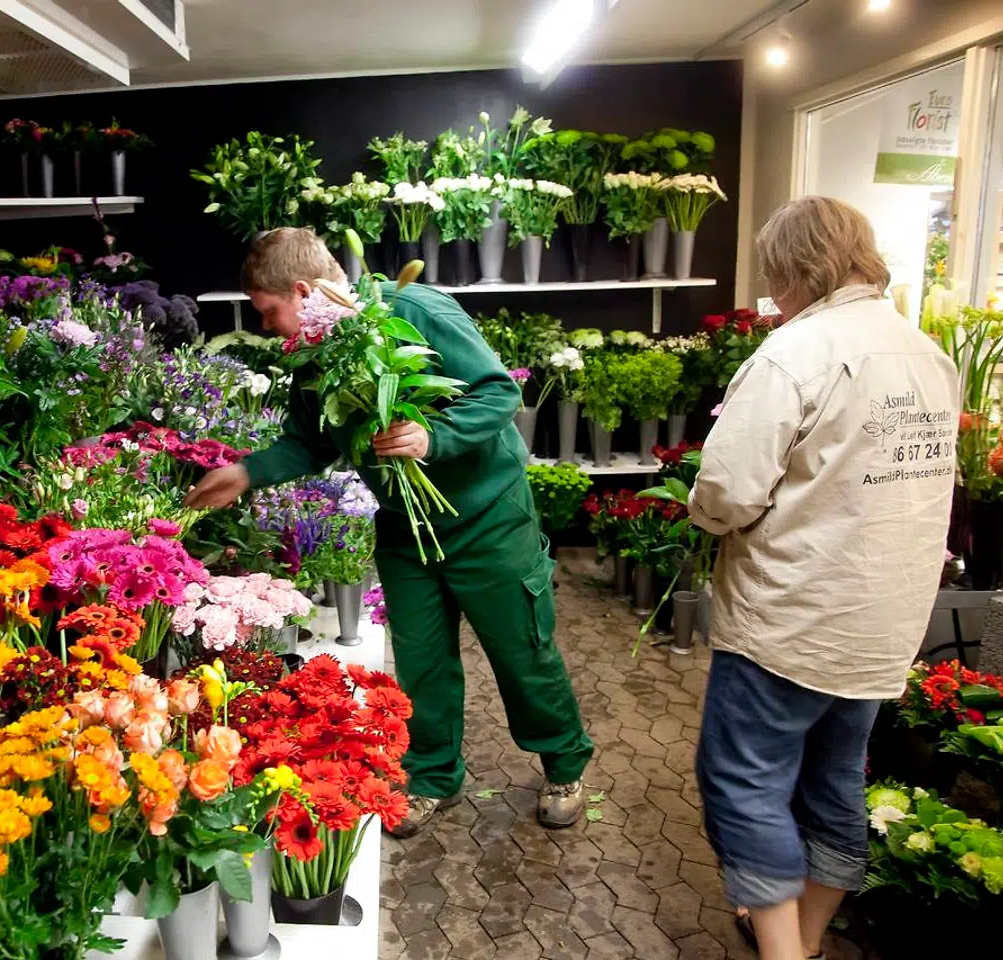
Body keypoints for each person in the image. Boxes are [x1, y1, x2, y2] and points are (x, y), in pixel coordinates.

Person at [184, 228, 594, 836]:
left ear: (301, 291)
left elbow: (498, 391)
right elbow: (308, 442)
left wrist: (435, 437)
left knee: (521, 652)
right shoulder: (313, 356)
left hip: (488, 522)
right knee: (422, 662)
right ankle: (432, 777)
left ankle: (563, 764)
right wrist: (245, 473)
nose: (268, 327)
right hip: (406, 531)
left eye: (269, 312)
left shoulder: (413, 310)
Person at [689, 197, 958, 960]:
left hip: (793, 619)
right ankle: (802, 940)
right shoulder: (923, 353)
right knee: (835, 779)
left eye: (776, 273)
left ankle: (781, 954)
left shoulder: (793, 355)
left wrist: (700, 516)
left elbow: (727, 492)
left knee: (745, 781)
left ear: (796, 268)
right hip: (884, 618)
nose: (773, 291)